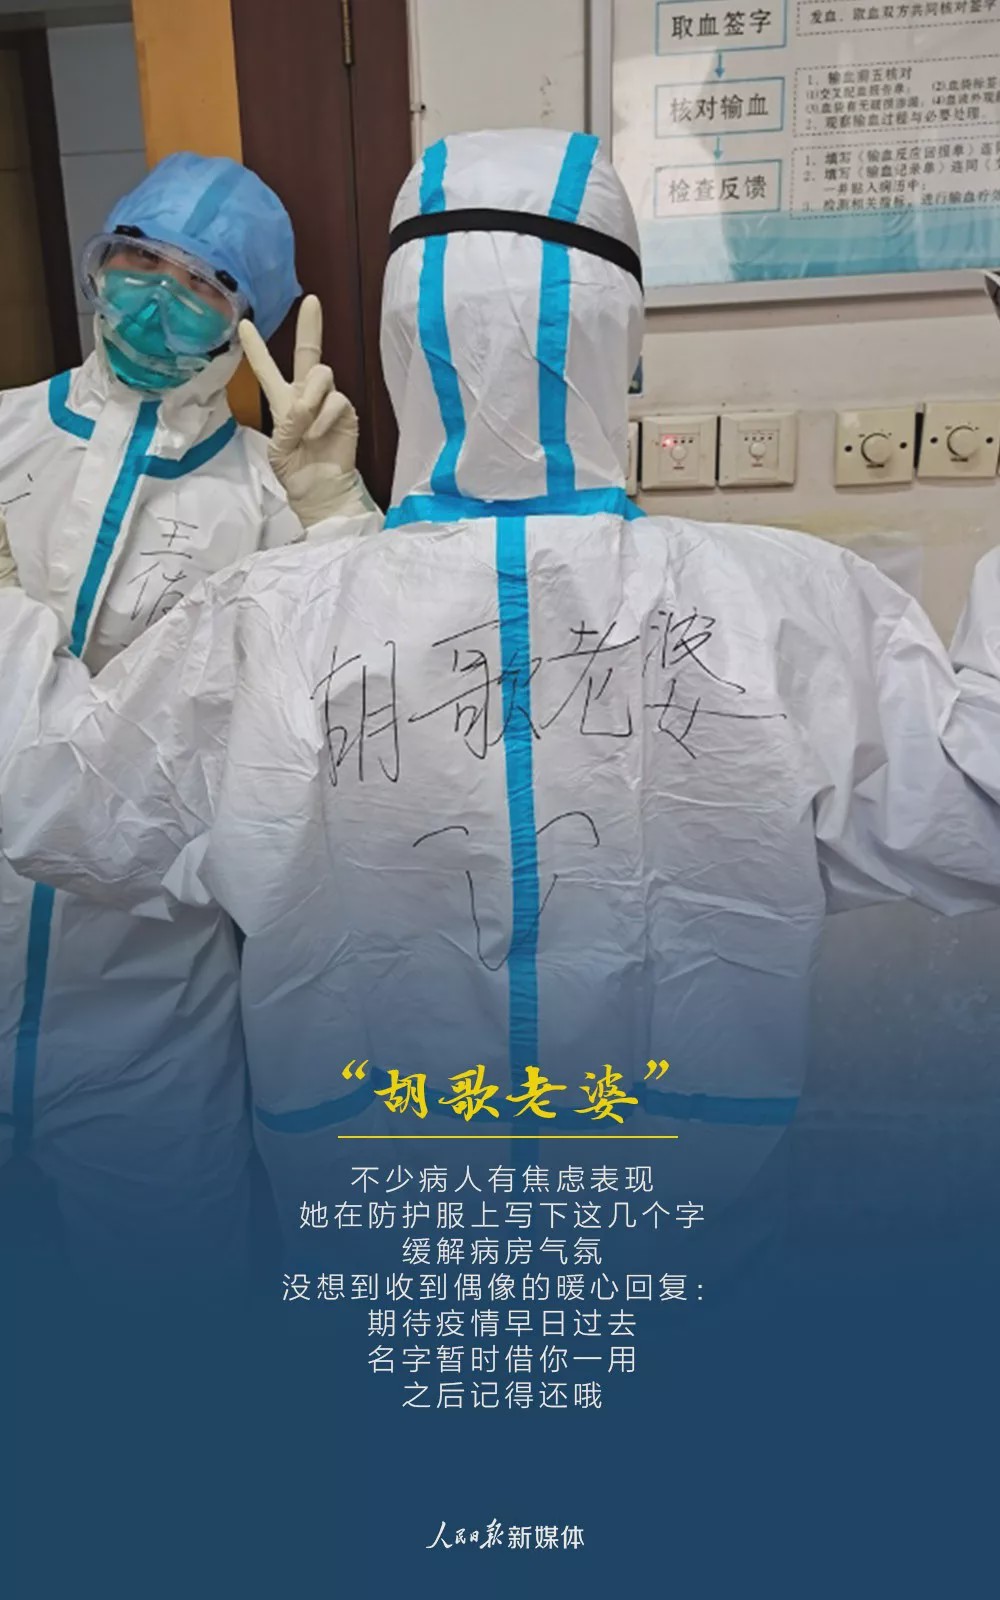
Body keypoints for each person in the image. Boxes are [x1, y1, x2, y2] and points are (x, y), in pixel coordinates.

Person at [1, 128, 999, 1260]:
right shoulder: (783, 603)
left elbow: (67, 814)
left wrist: (11, 626)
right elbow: (976, 806)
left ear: (398, 348)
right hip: (675, 1220)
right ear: (625, 348)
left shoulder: (277, 613)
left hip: (384, 1220)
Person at [0, 150, 376, 1278]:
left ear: (247, 321)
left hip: (153, 996)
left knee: (164, 1299)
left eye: (202, 283)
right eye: (137, 262)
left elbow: (362, 691)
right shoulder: (4, 439)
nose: (157, 297)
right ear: (97, 262)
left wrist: (339, 513)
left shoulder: (269, 493)